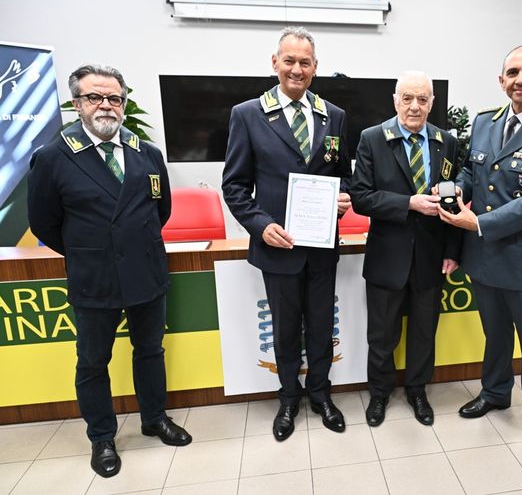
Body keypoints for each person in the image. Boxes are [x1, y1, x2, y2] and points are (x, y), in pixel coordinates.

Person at [27, 64, 192, 478]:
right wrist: (91, 250)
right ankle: (102, 437)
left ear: (124, 103)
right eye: (94, 97)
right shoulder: (53, 157)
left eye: (114, 98)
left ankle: (154, 418)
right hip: (94, 276)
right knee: (93, 361)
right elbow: (44, 223)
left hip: (145, 272)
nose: (106, 105)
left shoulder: (146, 153)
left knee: (150, 351)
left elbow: (161, 211)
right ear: (77, 104)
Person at [439, 46, 522, 457]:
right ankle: (495, 392)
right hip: (484, 255)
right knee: (495, 334)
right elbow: (471, 170)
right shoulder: (485, 121)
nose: (520, 79)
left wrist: (477, 223)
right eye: (512, 72)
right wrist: (456, 189)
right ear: (502, 81)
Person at [222, 27, 352, 441]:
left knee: (321, 325)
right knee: (285, 328)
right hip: (278, 247)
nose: (297, 69)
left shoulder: (334, 115)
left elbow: (343, 175)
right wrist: (261, 226)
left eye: (305, 62)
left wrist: (344, 197)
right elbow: (234, 186)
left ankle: (321, 395)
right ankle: (289, 398)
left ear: (316, 67)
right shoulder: (247, 114)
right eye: (290, 60)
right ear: (275, 62)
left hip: (322, 246)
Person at [350, 71, 460, 427]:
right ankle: (379, 394)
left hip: (431, 255)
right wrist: (408, 203)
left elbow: (453, 200)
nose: (415, 106)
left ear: (431, 103)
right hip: (387, 256)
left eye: (422, 99)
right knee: (382, 335)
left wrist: (453, 250)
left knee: (424, 332)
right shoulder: (372, 139)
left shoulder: (446, 142)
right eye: (408, 98)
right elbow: (360, 197)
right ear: (395, 100)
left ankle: (417, 391)